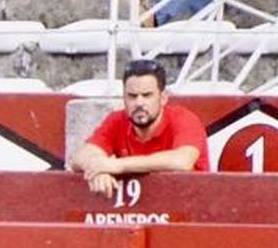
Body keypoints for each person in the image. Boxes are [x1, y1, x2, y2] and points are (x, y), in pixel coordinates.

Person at [68, 58, 209, 200]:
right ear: (123, 98)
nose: (139, 103)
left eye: (147, 95)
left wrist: (116, 165)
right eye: (132, 96)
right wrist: (98, 170)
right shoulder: (117, 120)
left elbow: (182, 161)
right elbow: (80, 157)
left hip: (191, 204)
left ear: (163, 98)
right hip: (137, 208)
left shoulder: (184, 119)